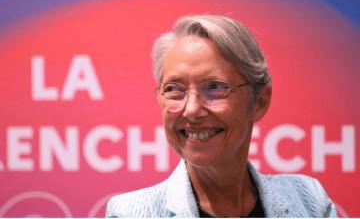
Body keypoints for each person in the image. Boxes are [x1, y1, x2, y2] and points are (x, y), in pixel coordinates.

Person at [106, 15, 337, 217]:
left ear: (259, 101)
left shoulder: (309, 200)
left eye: (215, 87)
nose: (192, 110)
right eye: (174, 89)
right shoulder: (130, 212)